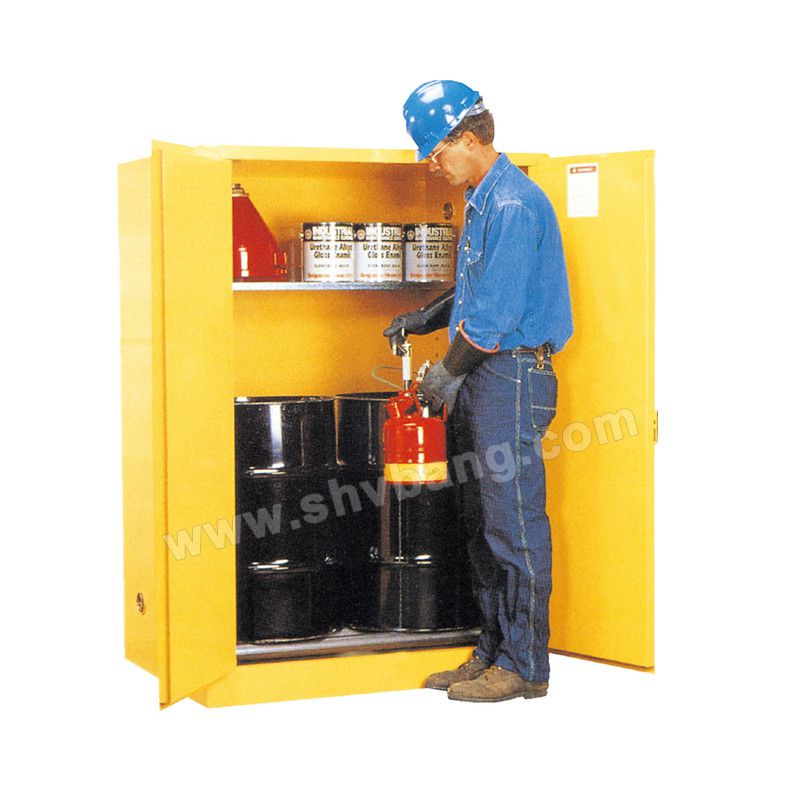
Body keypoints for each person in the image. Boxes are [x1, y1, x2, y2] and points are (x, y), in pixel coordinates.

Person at [384, 80, 573, 702]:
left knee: (512, 522)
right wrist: (425, 317)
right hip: (484, 374)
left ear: (468, 138)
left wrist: (446, 372)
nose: (432, 166)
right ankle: (492, 651)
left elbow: (495, 314)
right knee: (480, 522)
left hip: (510, 376)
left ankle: (525, 666)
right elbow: (474, 292)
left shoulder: (513, 203)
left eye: (436, 153)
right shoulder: (482, 199)